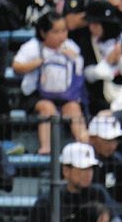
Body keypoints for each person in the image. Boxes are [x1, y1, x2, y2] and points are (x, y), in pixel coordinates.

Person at [12, 10, 87, 156]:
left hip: (66, 95)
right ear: (44, 32)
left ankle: (84, 145)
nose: (62, 36)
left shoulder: (71, 46)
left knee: (73, 108)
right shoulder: (32, 47)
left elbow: (79, 69)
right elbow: (16, 67)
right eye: (56, 31)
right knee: (47, 108)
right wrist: (37, 63)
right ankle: (46, 149)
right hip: (37, 95)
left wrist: (74, 57)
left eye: (64, 31)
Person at [73, 0, 122, 120]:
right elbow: (89, 74)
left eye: (95, 24)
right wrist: (107, 61)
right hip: (99, 100)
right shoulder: (87, 40)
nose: (91, 28)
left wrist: (120, 59)